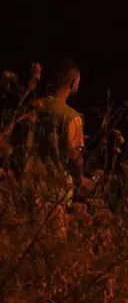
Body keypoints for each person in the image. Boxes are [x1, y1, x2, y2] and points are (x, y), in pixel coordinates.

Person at [17, 59, 89, 206]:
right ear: (73, 83)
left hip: (25, 189)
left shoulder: (32, 107)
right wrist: (81, 178)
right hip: (53, 194)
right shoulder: (71, 117)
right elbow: (75, 156)